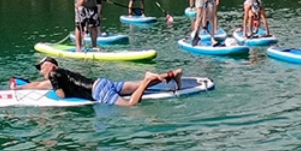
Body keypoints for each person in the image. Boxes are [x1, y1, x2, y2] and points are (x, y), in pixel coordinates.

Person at [20, 57, 183, 106]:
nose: (41, 72)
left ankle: (148, 79)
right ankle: (172, 74)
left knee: (130, 105)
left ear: (50, 66)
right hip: (101, 82)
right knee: (136, 86)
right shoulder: (63, 72)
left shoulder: (54, 76)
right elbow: (39, 85)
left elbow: (61, 96)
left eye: (41, 68)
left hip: (98, 92)